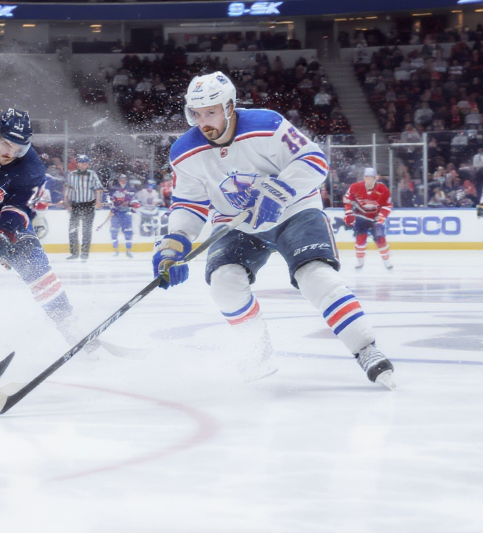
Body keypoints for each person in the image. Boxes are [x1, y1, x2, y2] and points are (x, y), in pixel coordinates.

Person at [152, 71, 395, 389]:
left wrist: (279, 191)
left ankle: (366, 348)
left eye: (210, 112)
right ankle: (257, 351)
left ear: (229, 107)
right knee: (224, 283)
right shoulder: (184, 151)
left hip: (295, 210)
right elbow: (189, 204)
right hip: (236, 222)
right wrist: (176, 240)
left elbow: (314, 160)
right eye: (196, 113)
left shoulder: (266, 124)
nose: (202, 122)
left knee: (315, 276)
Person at [0, 108, 117, 354]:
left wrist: (4, 236)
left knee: (34, 263)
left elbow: (19, 206)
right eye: (6, 144)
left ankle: (68, 323)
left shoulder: (32, 167)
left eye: (19, 148)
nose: (10, 153)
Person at [344, 166, 392, 270]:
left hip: (375, 219)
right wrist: (349, 214)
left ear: (376, 178)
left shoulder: (383, 189)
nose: (369, 180)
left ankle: (386, 261)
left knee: (381, 240)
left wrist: (381, 216)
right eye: (367, 177)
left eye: (371, 178)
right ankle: (360, 261)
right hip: (361, 218)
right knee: (360, 240)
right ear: (364, 177)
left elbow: (387, 205)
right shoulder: (355, 187)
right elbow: (348, 201)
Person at [64, 155, 103, 260]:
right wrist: (67, 202)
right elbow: (68, 189)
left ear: (88, 164)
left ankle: (85, 253)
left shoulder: (92, 174)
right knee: (73, 229)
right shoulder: (72, 175)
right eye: (81, 163)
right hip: (75, 204)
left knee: (86, 229)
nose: (83, 165)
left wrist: (98, 201)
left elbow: (98, 188)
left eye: (85, 163)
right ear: (78, 164)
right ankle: (74, 253)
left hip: (88, 204)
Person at [104, 174, 138, 257]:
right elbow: (108, 199)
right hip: (116, 213)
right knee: (114, 231)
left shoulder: (131, 189)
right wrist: (112, 204)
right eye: (121, 179)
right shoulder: (113, 189)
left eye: (124, 179)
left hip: (126, 213)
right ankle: (115, 250)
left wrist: (129, 203)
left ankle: (128, 250)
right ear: (118, 180)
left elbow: (135, 201)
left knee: (128, 232)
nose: (123, 181)